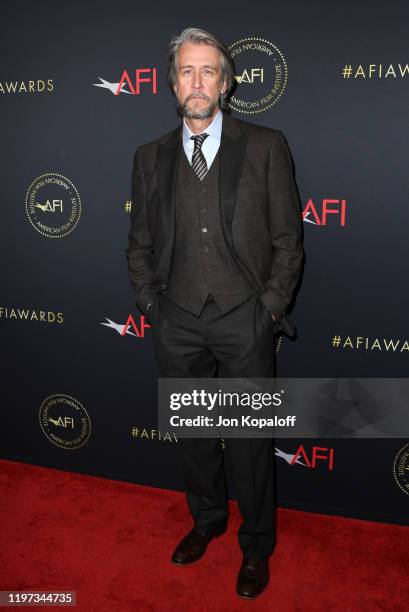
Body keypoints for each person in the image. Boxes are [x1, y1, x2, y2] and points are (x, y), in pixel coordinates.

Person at [125, 27, 304, 600]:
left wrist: (268, 309)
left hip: (244, 317)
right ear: (172, 83)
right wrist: (152, 302)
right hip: (176, 317)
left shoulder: (264, 145)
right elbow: (139, 243)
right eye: (186, 71)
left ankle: (255, 546)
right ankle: (206, 521)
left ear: (226, 84)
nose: (196, 82)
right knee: (195, 435)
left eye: (208, 72)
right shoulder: (149, 157)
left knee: (250, 440)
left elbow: (288, 241)